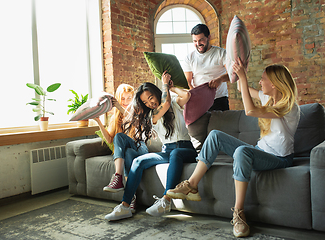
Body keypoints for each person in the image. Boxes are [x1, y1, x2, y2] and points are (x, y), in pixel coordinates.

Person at [166, 60, 300, 238]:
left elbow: (250, 111)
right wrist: (234, 71)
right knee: (214, 135)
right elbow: (240, 88)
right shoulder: (269, 98)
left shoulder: (289, 108)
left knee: (241, 152)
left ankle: (238, 213)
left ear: (274, 83)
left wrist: (244, 78)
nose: (260, 82)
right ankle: (192, 186)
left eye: (263, 79)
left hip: (279, 158)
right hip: (260, 151)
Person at [104, 72, 198, 221]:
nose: (149, 103)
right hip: (167, 150)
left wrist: (170, 88)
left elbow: (187, 96)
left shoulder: (173, 102)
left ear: (156, 93)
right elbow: (164, 104)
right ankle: (125, 206)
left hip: (186, 149)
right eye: (145, 102)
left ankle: (166, 201)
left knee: (176, 154)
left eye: (151, 98)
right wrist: (165, 85)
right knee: (138, 162)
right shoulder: (151, 116)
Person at [94, 84, 148, 212]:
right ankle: (131, 197)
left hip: (141, 148)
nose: (125, 102)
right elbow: (109, 140)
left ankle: (118, 177)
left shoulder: (138, 111)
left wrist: (118, 106)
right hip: (130, 152)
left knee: (122, 139)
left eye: (129, 98)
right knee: (127, 152)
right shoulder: (115, 118)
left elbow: (136, 123)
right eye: (122, 99)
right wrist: (98, 121)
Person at [183, 23, 230, 111]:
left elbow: (232, 74)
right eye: (195, 41)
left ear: (209, 37)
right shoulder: (189, 58)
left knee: (222, 125)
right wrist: (194, 94)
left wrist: (220, 79)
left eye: (201, 40)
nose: (198, 44)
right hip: (198, 100)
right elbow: (188, 82)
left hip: (219, 100)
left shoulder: (222, 53)